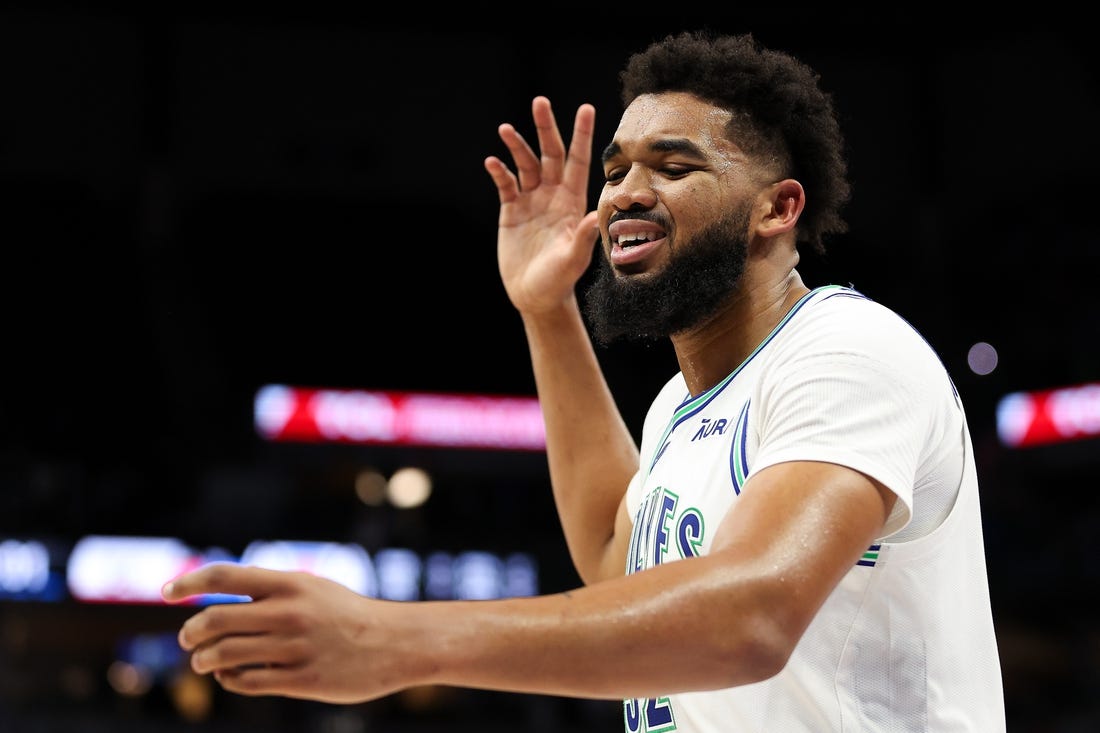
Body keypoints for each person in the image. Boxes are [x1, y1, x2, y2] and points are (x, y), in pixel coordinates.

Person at [162, 29, 1006, 731]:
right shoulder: (684, 402)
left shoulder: (848, 350)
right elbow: (617, 555)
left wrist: (400, 638)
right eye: (614, 172)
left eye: (672, 168)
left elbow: (749, 617)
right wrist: (545, 309)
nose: (625, 195)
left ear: (778, 208)